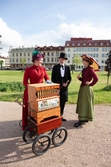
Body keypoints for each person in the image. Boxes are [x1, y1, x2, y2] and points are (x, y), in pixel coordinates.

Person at [22, 49, 50, 130]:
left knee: (40, 109)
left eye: (41, 60)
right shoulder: (29, 69)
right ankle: (30, 126)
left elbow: (47, 79)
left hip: (40, 92)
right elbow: (25, 82)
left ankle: (40, 125)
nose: (41, 62)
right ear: (35, 60)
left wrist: (50, 82)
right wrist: (32, 87)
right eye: (40, 60)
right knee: (30, 109)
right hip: (30, 92)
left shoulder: (43, 69)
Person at [74, 54, 98, 128]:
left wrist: (91, 83)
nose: (83, 61)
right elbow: (84, 79)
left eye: (84, 60)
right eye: (83, 60)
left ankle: (81, 120)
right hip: (82, 88)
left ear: (87, 62)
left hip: (87, 89)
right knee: (83, 103)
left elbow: (96, 79)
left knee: (84, 103)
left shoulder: (90, 69)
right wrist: (79, 78)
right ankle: (85, 118)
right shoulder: (84, 69)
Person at [51, 52, 71, 121]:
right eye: (61, 59)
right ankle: (55, 116)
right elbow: (53, 79)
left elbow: (69, 78)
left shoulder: (67, 67)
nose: (62, 60)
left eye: (63, 59)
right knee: (56, 102)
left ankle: (60, 116)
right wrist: (56, 88)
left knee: (63, 103)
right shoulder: (55, 67)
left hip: (64, 89)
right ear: (59, 59)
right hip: (57, 89)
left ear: (65, 60)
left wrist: (67, 84)